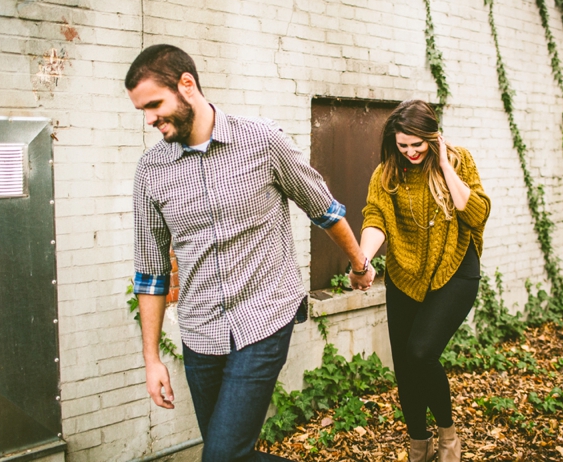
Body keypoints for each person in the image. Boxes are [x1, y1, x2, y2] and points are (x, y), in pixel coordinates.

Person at [125, 44, 375, 462]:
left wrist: (359, 263)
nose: (150, 119)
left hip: (264, 315)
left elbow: (324, 209)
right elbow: (150, 272)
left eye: (154, 104)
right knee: (231, 455)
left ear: (187, 84)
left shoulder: (262, 141)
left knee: (220, 456)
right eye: (142, 111)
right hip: (200, 330)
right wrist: (151, 359)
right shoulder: (151, 172)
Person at [351, 100, 490, 462]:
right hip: (406, 273)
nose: (410, 152)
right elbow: (375, 218)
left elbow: (476, 213)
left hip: (455, 269)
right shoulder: (386, 174)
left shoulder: (459, 161)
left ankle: (447, 434)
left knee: (421, 353)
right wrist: (363, 261)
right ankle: (418, 444)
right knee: (404, 364)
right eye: (403, 146)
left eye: (418, 144)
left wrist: (444, 165)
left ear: (433, 137)